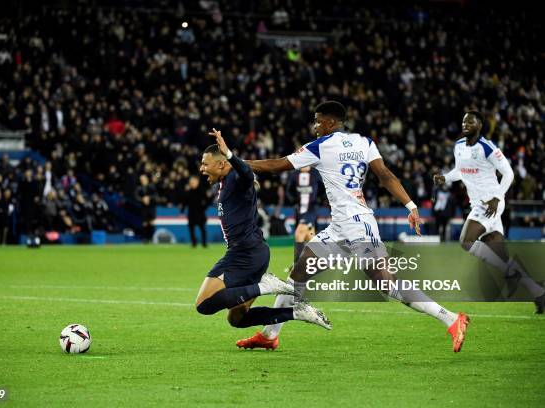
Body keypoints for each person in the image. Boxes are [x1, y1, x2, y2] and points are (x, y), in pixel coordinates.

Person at [237, 101, 470, 352]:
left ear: (330, 122)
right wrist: (410, 205)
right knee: (297, 275)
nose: (315, 126)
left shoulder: (320, 146)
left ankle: (451, 318)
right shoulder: (364, 142)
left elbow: (277, 165)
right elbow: (386, 176)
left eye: (317, 121)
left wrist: (235, 161)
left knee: (387, 284)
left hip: (358, 226)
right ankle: (270, 335)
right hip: (340, 227)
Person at [195, 128, 332, 332]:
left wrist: (231, 154)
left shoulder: (236, 178)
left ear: (222, 163)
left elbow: (247, 174)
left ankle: (266, 286)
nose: (202, 168)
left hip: (245, 254)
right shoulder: (225, 183)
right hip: (252, 254)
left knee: (204, 304)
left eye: (205, 164)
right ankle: (297, 313)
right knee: (237, 319)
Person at [433, 111, 545, 313]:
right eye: (464, 120)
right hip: (480, 204)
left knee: (466, 241)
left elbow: (508, 173)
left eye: (470, 121)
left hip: (490, 203)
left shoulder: (487, 147)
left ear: (480, 125)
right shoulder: (458, 146)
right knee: (503, 261)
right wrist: (446, 178)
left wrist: (497, 197)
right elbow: (461, 171)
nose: (465, 123)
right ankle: (538, 291)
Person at [285, 166, 320, 261]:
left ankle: (297, 263)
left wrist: (321, 199)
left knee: (299, 233)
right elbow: (288, 191)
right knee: (310, 234)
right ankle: (315, 263)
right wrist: (294, 200)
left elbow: (323, 187)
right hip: (299, 209)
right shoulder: (294, 174)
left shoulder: (316, 173)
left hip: (311, 208)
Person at [181, 175, 210, 248]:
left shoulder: (202, 190)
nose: (192, 183)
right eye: (191, 182)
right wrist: (182, 210)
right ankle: (194, 243)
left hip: (200, 213)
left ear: (197, 182)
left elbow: (208, 200)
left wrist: (204, 208)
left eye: (193, 182)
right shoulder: (188, 192)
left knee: (202, 229)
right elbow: (184, 202)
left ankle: (204, 244)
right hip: (191, 213)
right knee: (191, 229)